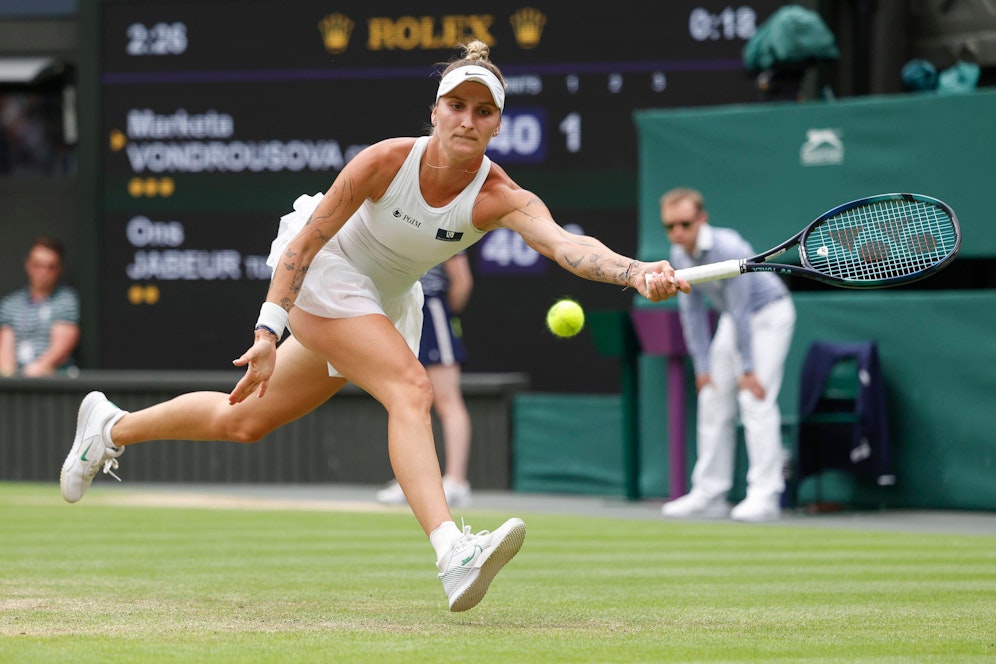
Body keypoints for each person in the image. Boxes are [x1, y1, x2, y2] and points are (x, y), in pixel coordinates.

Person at [59, 41, 688, 612]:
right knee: (411, 389)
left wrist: (635, 272)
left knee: (243, 422)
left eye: (483, 111)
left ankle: (111, 428)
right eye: (456, 105)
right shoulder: (385, 162)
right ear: (436, 111)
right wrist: (268, 332)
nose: (468, 120)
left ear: (497, 124)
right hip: (321, 273)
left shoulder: (501, 197)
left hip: (381, 299)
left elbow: (563, 245)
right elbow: (305, 245)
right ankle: (451, 552)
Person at [659, 187, 795, 523]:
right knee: (711, 398)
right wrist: (702, 367)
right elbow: (691, 313)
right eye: (670, 226)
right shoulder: (678, 254)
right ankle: (709, 493)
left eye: (685, 224)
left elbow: (741, 309)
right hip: (733, 322)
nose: (678, 232)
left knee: (754, 399)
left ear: (701, 220)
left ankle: (766, 495)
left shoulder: (728, 248)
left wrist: (747, 369)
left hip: (768, 315)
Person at [377, 253, 475, 507]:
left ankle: (456, 482)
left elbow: (462, 282)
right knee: (405, 400)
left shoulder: (447, 223)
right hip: (399, 309)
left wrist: (441, 311)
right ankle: (410, 483)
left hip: (432, 309)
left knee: (447, 400)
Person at [0, 237, 80, 377]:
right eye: (38, 265)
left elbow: (61, 346)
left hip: (54, 381)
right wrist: (9, 380)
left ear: (59, 269)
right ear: (28, 265)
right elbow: (5, 350)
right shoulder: (10, 304)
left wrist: (37, 370)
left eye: (50, 266)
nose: (43, 272)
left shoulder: (66, 299)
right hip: (18, 384)